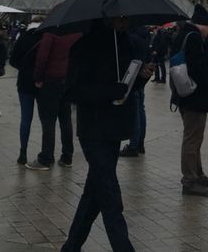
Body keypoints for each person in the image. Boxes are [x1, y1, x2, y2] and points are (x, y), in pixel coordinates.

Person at [60, 17, 153, 252]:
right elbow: (73, 90)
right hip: (93, 129)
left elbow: (126, 90)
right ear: (107, 18)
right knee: (110, 196)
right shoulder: (85, 46)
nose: (125, 21)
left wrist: (141, 78)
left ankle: (71, 247)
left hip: (115, 128)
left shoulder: (125, 43)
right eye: (120, 17)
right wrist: (109, 91)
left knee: (95, 192)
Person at [171, 3, 208, 197]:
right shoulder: (194, 38)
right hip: (195, 97)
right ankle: (189, 180)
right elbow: (198, 69)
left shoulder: (183, 34)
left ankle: (197, 174)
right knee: (192, 139)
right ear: (203, 25)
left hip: (184, 96)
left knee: (195, 138)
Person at [27, 29, 82, 170]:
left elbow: (42, 56)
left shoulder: (52, 33)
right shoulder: (76, 33)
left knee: (48, 121)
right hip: (67, 81)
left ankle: (46, 158)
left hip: (51, 81)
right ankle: (67, 156)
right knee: (66, 120)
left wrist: (38, 77)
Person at [9, 23, 42, 165]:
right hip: (42, 83)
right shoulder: (46, 37)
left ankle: (23, 153)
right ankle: (46, 153)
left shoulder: (23, 38)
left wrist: (24, 68)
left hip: (24, 83)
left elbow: (12, 60)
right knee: (46, 120)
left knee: (25, 119)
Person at [120, 24, 152, 157]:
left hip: (133, 77)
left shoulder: (131, 37)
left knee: (135, 111)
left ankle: (133, 145)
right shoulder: (145, 35)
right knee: (140, 109)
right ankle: (140, 143)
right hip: (142, 77)